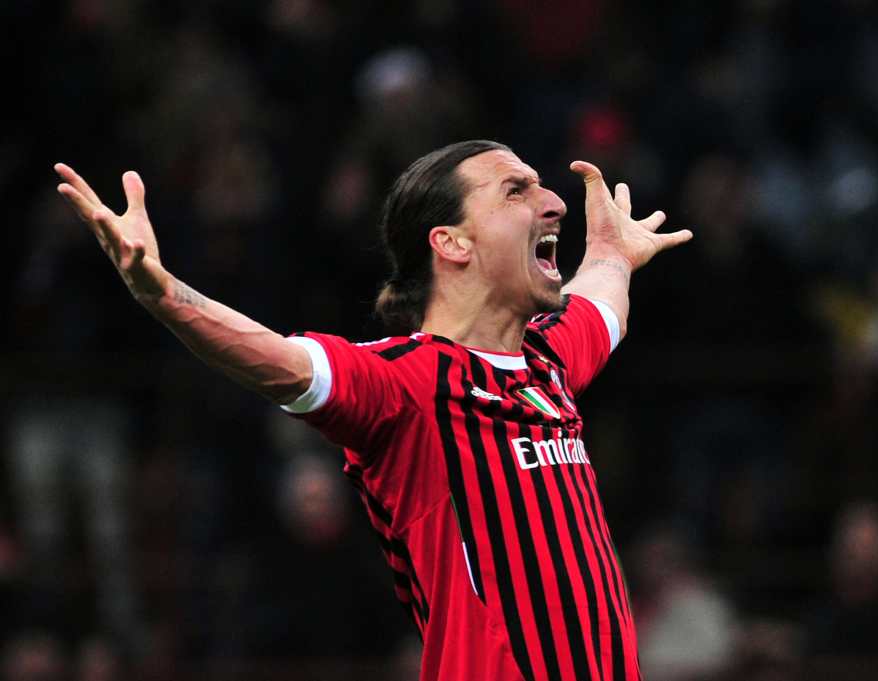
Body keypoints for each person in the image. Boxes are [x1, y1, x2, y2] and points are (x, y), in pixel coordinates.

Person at [54, 139, 693, 681]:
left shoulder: (547, 363)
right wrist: (164, 294)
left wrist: (611, 252)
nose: (553, 202)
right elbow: (278, 360)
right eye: (515, 191)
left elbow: (602, 300)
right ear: (452, 242)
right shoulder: (404, 382)